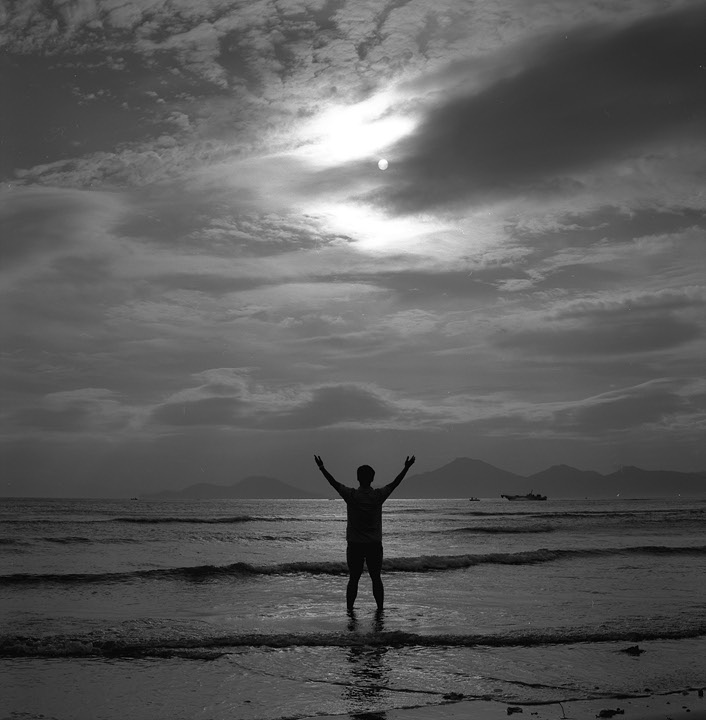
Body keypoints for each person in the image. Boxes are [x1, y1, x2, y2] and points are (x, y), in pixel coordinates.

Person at [314, 454, 416, 613]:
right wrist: (406, 468)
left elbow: (333, 483)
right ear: (372, 479)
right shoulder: (378, 496)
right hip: (374, 544)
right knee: (376, 578)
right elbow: (395, 484)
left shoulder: (351, 495)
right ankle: (380, 609)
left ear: (357, 478)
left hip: (355, 544)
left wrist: (322, 468)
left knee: (353, 579)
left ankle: (350, 610)